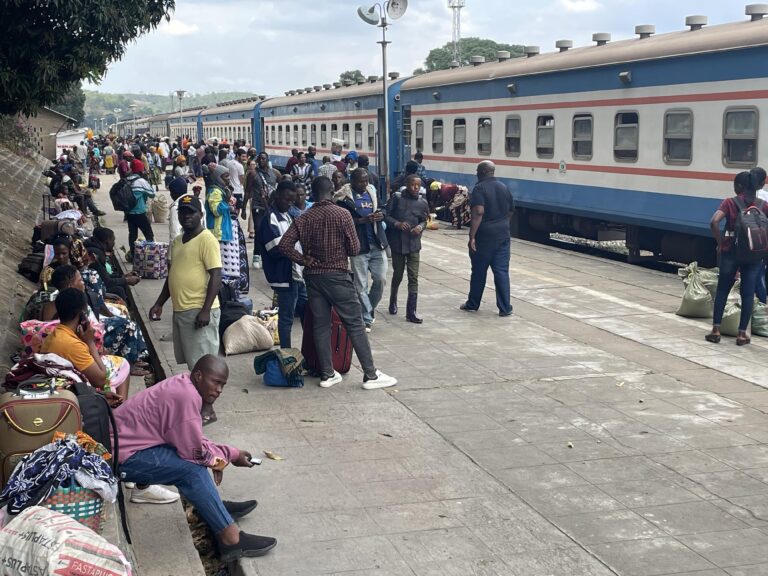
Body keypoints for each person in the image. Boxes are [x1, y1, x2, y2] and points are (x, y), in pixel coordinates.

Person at [114, 355, 277, 559]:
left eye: (223, 385)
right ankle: (231, 540)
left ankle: (213, 506)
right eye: (216, 382)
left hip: (126, 446)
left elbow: (193, 440)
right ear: (199, 376)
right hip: (120, 457)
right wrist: (224, 459)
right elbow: (194, 452)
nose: (219, 390)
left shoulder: (184, 384)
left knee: (193, 463)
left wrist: (230, 453)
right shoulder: (186, 396)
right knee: (191, 469)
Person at [278, 176, 396, 390]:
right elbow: (354, 249)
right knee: (355, 324)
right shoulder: (343, 215)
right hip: (338, 276)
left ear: (312, 194)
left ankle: (328, 373)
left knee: (321, 326)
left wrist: (303, 259)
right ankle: (370, 375)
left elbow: (285, 245)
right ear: (332, 191)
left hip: (313, 278)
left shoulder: (304, 218)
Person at [150, 195, 222, 423]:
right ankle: (197, 406)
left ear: (201, 214)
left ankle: (208, 410)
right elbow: (172, 277)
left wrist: (205, 309)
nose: (186, 216)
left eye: (191, 212)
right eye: (183, 212)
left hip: (199, 310)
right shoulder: (178, 241)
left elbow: (216, 275)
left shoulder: (207, 239)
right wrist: (160, 302)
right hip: (181, 310)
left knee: (204, 365)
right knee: (194, 365)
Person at [706, 168, 768, 346]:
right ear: (758, 186)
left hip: (730, 252)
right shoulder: (763, 205)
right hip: (754, 255)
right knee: (748, 294)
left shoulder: (729, 203)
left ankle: (716, 330)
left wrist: (720, 242)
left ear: (739, 186)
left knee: (723, 290)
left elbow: (714, 221)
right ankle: (742, 334)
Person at [41, 288, 131, 400]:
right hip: (77, 391)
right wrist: (90, 343)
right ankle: (121, 410)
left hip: (64, 384)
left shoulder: (53, 335)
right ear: (82, 313)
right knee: (124, 364)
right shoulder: (73, 345)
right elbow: (100, 380)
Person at [335, 168, 388, 332]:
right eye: (361, 181)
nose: (364, 184)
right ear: (352, 181)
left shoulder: (372, 192)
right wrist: (361, 220)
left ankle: (368, 309)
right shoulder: (343, 198)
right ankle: (366, 318)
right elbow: (342, 221)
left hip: (377, 243)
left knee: (380, 280)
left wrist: (382, 215)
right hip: (359, 246)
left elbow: (384, 208)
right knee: (360, 286)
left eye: (366, 181)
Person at [461, 161, 515, 317]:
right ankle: (505, 308)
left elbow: (478, 212)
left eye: (478, 171)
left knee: (479, 271)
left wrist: (472, 237)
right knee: (502, 272)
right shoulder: (504, 187)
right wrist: (502, 224)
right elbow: (511, 210)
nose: (476, 173)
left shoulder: (479, 188)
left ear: (483, 172)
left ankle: (473, 304)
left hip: (484, 237)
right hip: (503, 235)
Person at [259, 181, 307, 348]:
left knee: (307, 312)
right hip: (284, 276)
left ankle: (309, 352)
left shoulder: (288, 215)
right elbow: (276, 248)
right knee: (286, 318)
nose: (289, 204)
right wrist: (300, 258)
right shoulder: (270, 218)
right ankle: (286, 355)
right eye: (287, 199)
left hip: (297, 274)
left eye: (292, 201)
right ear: (277, 196)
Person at [386, 175, 429, 323]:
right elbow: (386, 216)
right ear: (407, 185)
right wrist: (397, 224)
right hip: (398, 243)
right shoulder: (396, 198)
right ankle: (393, 299)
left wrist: (420, 227)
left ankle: (411, 311)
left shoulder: (422, 202)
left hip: (414, 244)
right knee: (398, 274)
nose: (415, 188)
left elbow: (425, 220)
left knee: (413, 277)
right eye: (412, 185)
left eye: (418, 185)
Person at [84, 227, 140, 301]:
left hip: (92, 283)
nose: (114, 243)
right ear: (107, 241)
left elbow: (103, 276)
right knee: (118, 290)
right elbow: (106, 282)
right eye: (113, 240)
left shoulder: (95, 249)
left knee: (120, 285)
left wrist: (123, 276)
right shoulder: (96, 254)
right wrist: (126, 280)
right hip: (90, 289)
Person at [248, 152, 279, 269]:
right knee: (258, 229)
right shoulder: (253, 174)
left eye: (263, 159)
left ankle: (268, 254)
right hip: (257, 206)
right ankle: (256, 255)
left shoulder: (274, 173)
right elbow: (247, 190)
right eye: (260, 159)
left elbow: (282, 184)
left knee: (270, 230)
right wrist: (245, 208)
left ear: (267, 160)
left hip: (270, 207)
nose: (261, 161)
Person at [126, 158, 156, 259]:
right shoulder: (141, 181)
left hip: (128, 213)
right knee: (149, 234)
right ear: (140, 170)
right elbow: (152, 194)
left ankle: (133, 256)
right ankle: (150, 256)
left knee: (132, 234)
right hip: (139, 212)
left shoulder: (126, 180)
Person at [168, 176, 190, 241]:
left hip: (182, 245)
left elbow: (174, 233)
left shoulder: (175, 208)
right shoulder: (197, 202)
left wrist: (173, 249)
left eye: (171, 192)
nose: (170, 195)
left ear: (175, 193)